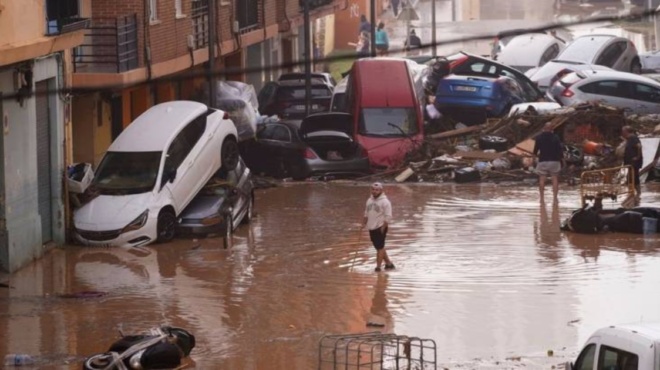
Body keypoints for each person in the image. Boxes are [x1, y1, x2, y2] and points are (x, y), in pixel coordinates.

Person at [362, 182, 395, 272]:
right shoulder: (369, 200)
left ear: (381, 190)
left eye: (377, 190)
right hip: (371, 227)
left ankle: (378, 267)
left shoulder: (385, 202)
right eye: (373, 189)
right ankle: (389, 264)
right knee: (378, 247)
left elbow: (388, 216)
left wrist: (383, 228)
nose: (374, 191)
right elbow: (366, 213)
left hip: (380, 227)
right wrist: (363, 224)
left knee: (380, 247)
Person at [533, 121, 564, 201]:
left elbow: (535, 150)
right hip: (555, 161)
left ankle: (542, 198)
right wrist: (563, 160)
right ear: (552, 129)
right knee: (554, 178)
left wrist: (534, 159)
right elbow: (560, 150)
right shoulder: (556, 137)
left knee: (542, 178)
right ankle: (555, 198)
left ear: (544, 128)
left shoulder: (539, 137)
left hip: (543, 160)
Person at [622, 125, 643, 197]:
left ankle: (635, 193)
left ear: (626, 131)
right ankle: (634, 193)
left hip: (634, 163)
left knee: (633, 178)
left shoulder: (633, 138)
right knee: (631, 178)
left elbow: (639, 146)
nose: (622, 133)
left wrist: (637, 157)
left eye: (623, 131)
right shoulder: (629, 139)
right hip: (630, 163)